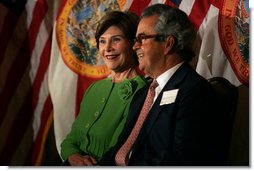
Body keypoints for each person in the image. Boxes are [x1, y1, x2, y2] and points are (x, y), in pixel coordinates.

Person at [99, 4, 228, 166]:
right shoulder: (142, 94)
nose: (134, 46)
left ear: (168, 43)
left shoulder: (195, 93)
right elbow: (119, 150)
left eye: (142, 38)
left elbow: (181, 161)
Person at [60, 10, 148, 166]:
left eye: (116, 40)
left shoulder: (143, 91)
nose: (107, 48)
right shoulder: (95, 89)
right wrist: (73, 156)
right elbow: (69, 140)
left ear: (133, 44)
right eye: (102, 41)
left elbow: (119, 149)